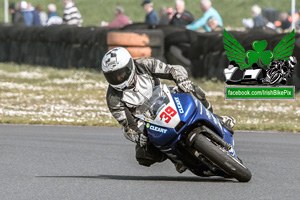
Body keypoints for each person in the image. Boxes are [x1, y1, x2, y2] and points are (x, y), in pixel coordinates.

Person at [102, 47, 235, 172]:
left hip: (166, 98)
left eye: (121, 73)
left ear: (130, 65)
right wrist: (139, 136)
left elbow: (173, 69)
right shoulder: (113, 98)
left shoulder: (144, 65)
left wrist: (182, 80)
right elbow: (128, 125)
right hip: (148, 120)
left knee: (193, 90)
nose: (118, 79)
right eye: (113, 76)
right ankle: (177, 159)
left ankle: (217, 119)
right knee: (144, 155)